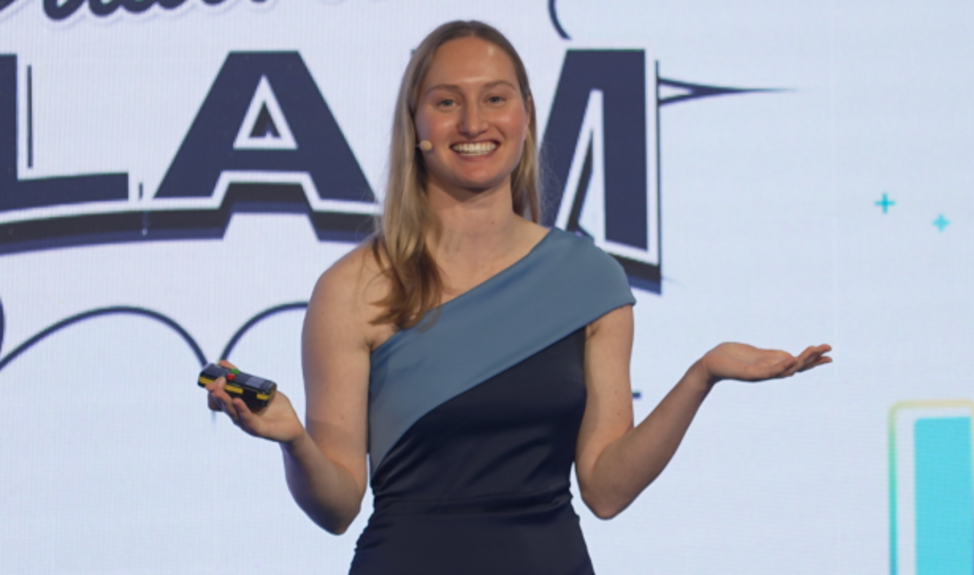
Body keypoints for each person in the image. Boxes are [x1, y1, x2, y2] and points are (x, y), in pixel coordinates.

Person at [204, 20, 832, 574]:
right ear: (416, 123)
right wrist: (293, 439)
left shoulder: (590, 279)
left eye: (495, 98)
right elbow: (338, 507)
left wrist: (703, 375)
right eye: (447, 101)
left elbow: (607, 489)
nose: (473, 123)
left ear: (525, 114)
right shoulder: (354, 287)